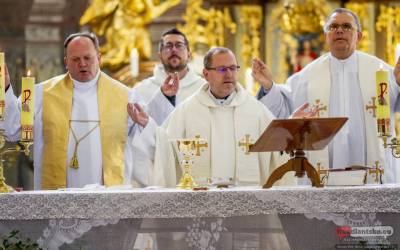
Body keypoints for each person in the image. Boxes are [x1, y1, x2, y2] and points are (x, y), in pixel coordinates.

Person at [253, 8, 400, 182]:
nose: (339, 30)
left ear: (359, 36)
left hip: (373, 168)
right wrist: (269, 86)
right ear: (325, 37)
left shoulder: (381, 72)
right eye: (333, 27)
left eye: (346, 26)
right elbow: (285, 109)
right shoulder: (307, 76)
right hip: (323, 172)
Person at [2, 32, 156, 189]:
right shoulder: (41, 94)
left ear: (99, 58)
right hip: (55, 200)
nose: (82, 63)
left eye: (87, 58)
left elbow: (150, 147)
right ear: (66, 62)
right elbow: (12, 129)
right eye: (75, 59)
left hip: (110, 201)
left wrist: (145, 124)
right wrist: (6, 88)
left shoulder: (127, 97)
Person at [151, 47, 296, 187]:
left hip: (248, 200)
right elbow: (164, 145)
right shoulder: (186, 111)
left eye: (233, 68)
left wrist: (294, 123)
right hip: (201, 201)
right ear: (206, 74)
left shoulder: (255, 110)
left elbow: (279, 146)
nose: (229, 74)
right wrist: (147, 125)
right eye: (222, 69)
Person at [134, 28, 206, 125]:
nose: (174, 50)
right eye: (168, 46)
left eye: (179, 45)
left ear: (189, 54)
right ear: (159, 56)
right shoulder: (142, 90)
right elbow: (136, 129)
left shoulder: (204, 88)